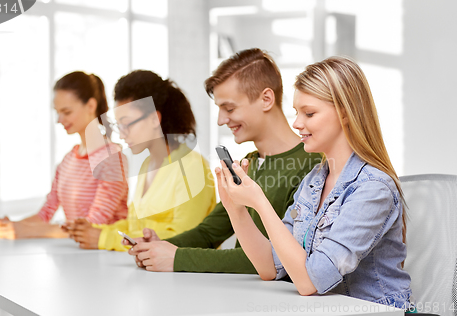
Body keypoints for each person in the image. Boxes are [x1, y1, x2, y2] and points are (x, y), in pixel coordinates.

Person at [215, 56, 412, 309]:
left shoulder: (373, 188)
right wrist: (236, 208)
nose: (297, 124)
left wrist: (260, 202)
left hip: (375, 312)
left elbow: (310, 281)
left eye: (309, 113)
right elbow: (269, 267)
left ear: (345, 112)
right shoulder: (313, 182)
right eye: (297, 113)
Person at [126, 48, 322, 273]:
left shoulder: (312, 166)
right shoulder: (249, 163)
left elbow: (274, 260)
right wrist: (160, 247)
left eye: (229, 108)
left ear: (266, 99)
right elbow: (209, 232)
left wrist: (178, 257)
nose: (221, 120)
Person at [64, 70, 216, 250]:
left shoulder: (191, 167)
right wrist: (93, 230)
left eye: (126, 124)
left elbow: (184, 238)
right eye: (118, 125)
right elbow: (134, 226)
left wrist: (105, 238)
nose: (121, 134)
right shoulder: (147, 166)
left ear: (153, 118)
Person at [0, 71, 129, 239]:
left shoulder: (111, 159)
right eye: (57, 112)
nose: (59, 119)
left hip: (103, 256)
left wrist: (26, 231)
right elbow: (45, 214)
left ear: (91, 106)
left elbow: (92, 226)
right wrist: (14, 226)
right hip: (73, 254)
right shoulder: (69, 159)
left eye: (67, 112)